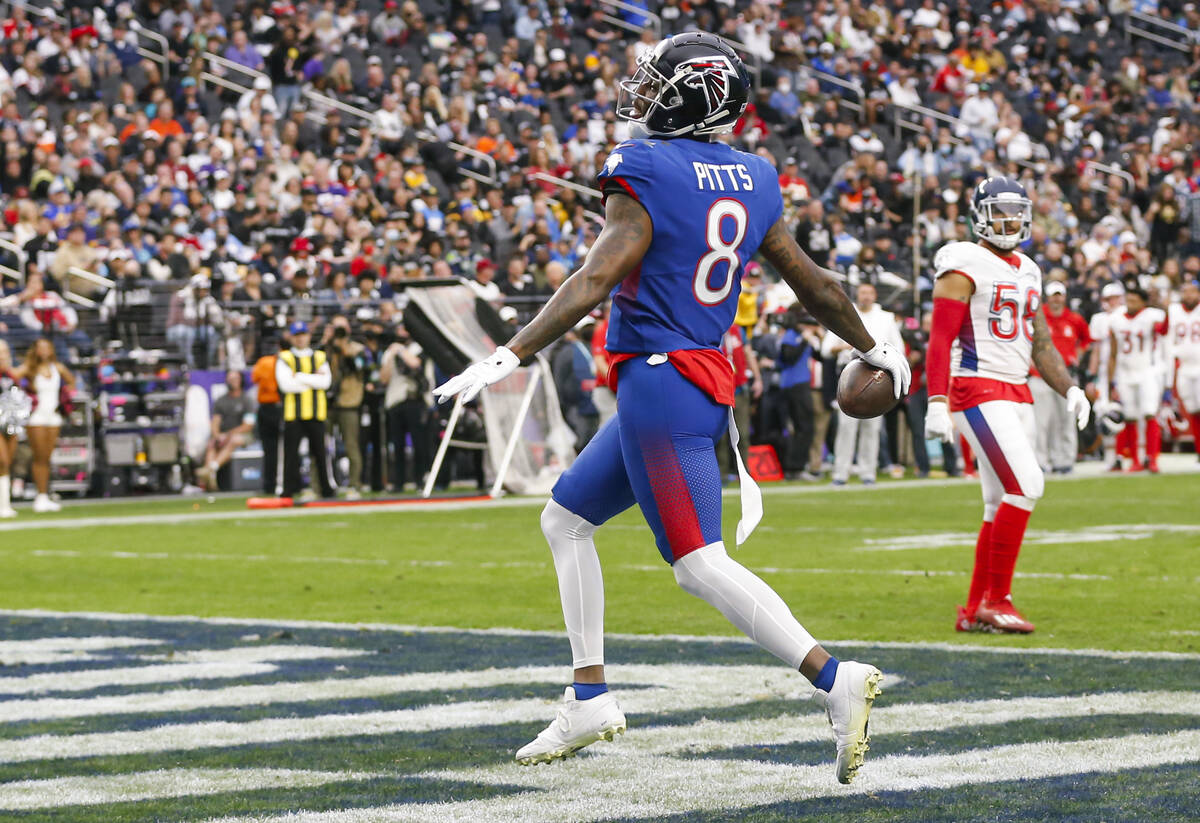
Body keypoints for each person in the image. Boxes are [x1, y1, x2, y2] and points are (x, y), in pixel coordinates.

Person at [433, 34, 910, 785]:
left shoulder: (647, 167)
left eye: (658, 85)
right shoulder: (754, 175)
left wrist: (508, 353)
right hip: (691, 377)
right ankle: (589, 695)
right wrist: (875, 344)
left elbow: (596, 277)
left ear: (692, 97)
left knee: (696, 562)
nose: (643, 96)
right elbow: (814, 283)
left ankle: (832, 676)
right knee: (564, 518)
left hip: (661, 379)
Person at [924, 176, 1090, 635]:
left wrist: (1070, 389)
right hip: (976, 386)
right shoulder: (962, 262)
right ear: (980, 215)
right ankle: (998, 600)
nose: (1009, 219)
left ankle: (975, 607)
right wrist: (936, 401)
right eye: (1000, 211)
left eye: (1016, 211)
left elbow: (1041, 343)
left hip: (1017, 389)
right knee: (1028, 485)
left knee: (998, 502)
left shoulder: (1030, 269)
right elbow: (940, 340)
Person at [822, 283, 903, 486]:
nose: (865, 296)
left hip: (877, 376)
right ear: (857, 295)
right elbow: (826, 349)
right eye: (862, 293)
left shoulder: (885, 318)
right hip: (850, 374)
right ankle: (841, 473)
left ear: (874, 295)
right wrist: (846, 346)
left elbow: (899, 348)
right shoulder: (846, 314)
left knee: (872, 427)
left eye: (869, 293)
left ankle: (868, 472)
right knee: (846, 427)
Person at [1105, 281, 1168, 473]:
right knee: (1130, 417)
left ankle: (1152, 458)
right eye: (1128, 299)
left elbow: (1163, 329)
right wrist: (1110, 381)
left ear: (1142, 302)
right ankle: (1135, 460)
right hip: (1125, 372)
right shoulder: (1116, 319)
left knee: (1149, 413)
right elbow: (1113, 353)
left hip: (1146, 371)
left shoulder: (1151, 316)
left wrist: (1165, 306)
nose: (1130, 303)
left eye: (1134, 300)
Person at [1030, 281, 1091, 474]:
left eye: (1059, 295)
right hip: (1040, 375)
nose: (1056, 299)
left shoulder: (1074, 318)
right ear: (1047, 297)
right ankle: (1041, 460)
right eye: (1053, 295)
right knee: (1041, 421)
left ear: (1064, 297)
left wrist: (1077, 357)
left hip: (1066, 377)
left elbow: (1087, 340)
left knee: (1066, 419)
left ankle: (1065, 459)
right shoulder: (1038, 317)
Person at [9, 337, 74, 513]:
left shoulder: (57, 367)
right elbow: (11, 375)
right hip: (36, 416)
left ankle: (44, 495)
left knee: (47, 456)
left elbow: (71, 381)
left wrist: (64, 396)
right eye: (41, 347)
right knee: (39, 456)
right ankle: (40, 496)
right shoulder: (29, 368)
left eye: (47, 347)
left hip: (53, 415)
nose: (44, 351)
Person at [276, 321, 334, 500]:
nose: (301, 338)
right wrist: (312, 379)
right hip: (293, 414)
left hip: (316, 413)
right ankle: (289, 489)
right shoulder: (285, 357)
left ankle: (326, 488)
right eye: (297, 335)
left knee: (320, 454)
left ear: (309, 336)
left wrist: (299, 376)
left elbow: (325, 383)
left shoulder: (319, 356)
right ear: (292, 337)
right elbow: (286, 386)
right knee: (291, 454)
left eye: (303, 334)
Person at [380, 322, 429, 491]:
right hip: (395, 401)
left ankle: (419, 479)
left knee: (418, 443)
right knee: (397, 444)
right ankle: (398, 481)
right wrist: (391, 356)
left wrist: (400, 350)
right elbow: (384, 378)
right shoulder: (390, 352)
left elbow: (416, 364)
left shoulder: (417, 349)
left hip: (414, 399)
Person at [324, 315, 368, 498]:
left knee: (351, 446)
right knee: (320, 446)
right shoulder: (326, 350)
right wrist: (325, 343)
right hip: (327, 403)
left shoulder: (357, 349)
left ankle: (354, 485)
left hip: (349, 402)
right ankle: (319, 486)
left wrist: (345, 352)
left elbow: (361, 369)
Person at [196, 370, 256, 491]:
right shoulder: (221, 401)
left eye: (235, 378)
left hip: (244, 436)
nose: (233, 381)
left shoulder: (247, 400)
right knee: (212, 443)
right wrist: (217, 436)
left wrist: (227, 435)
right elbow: (215, 422)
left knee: (234, 440)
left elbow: (247, 426)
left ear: (240, 380)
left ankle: (210, 469)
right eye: (230, 379)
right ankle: (210, 479)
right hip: (224, 436)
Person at [1088, 283, 1126, 470]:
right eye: (1107, 299)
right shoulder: (1098, 319)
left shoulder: (1126, 316)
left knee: (1123, 414)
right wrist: (1091, 377)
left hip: (1124, 370)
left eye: (1113, 298)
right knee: (1104, 414)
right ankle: (1111, 457)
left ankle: (1124, 455)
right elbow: (1096, 351)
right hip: (1104, 372)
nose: (1110, 302)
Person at [1168, 278, 1200, 459]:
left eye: (1192, 291)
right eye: (1185, 291)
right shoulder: (1174, 311)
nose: (1188, 295)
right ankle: (1199, 451)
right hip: (1184, 366)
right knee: (1193, 410)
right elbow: (1163, 331)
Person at [0, 339, 29, 517]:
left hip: (10, 423)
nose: (2, 356)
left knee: (7, 463)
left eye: (5, 352)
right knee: (1, 461)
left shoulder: (12, 376)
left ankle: (5, 503)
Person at [251, 347, 282, 495]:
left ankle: (269, 485)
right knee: (284, 449)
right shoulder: (285, 361)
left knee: (270, 449)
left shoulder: (263, 362)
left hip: (266, 407)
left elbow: (254, 378)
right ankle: (287, 484)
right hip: (280, 406)